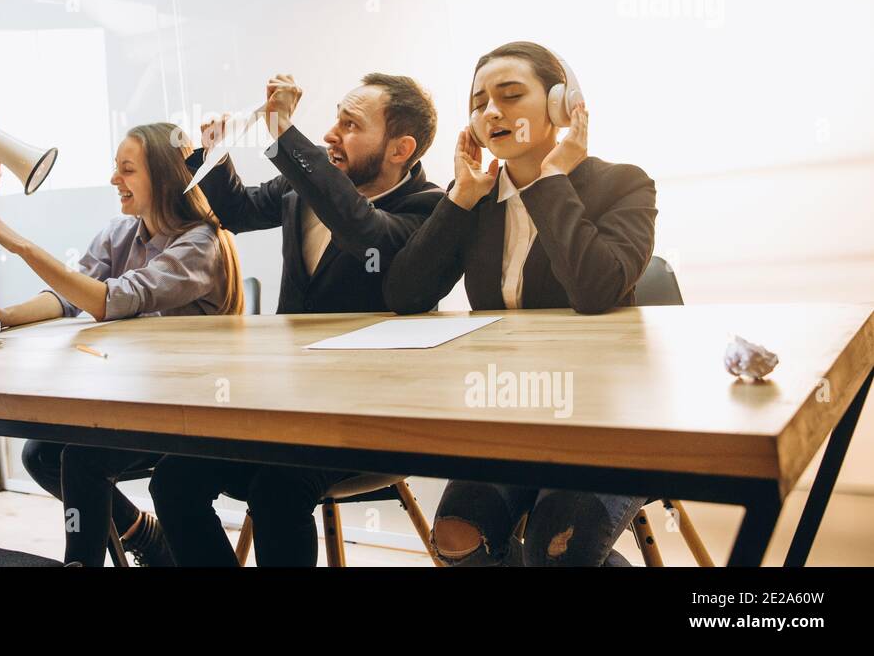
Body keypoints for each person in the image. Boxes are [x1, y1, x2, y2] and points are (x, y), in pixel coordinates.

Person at [149, 72, 441, 566]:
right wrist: (213, 153)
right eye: (336, 119)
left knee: (276, 490)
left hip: (373, 422)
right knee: (173, 477)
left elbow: (362, 229)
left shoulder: (429, 208)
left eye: (350, 124)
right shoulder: (307, 184)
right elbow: (239, 213)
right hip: (289, 410)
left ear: (400, 149)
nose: (331, 133)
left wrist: (283, 131)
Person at [384, 40, 658, 566]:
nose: (491, 112)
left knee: (554, 550)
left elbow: (595, 291)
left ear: (560, 105)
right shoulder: (476, 196)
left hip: (603, 415)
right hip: (507, 409)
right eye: (479, 102)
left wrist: (552, 179)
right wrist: (459, 198)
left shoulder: (622, 184)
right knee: (458, 539)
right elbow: (405, 295)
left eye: (510, 95)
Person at [0, 122, 243, 567]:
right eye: (115, 168)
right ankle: (145, 535)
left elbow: (110, 300)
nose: (114, 180)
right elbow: (73, 295)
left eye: (127, 170)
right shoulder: (121, 232)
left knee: (84, 460)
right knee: (43, 454)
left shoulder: (200, 244)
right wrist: (3, 315)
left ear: (164, 178)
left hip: (193, 408)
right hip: (142, 399)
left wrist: (21, 246)